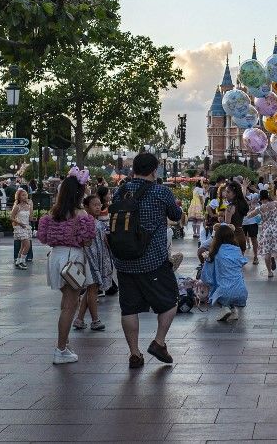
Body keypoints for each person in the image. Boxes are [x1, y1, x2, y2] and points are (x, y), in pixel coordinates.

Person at [111, 153, 181, 369]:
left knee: (129, 308)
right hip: (153, 260)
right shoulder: (161, 191)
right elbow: (177, 215)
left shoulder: (120, 191)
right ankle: (159, 343)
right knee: (170, 301)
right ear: (154, 169)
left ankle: (134, 354)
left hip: (123, 259)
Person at [37, 171, 94, 365]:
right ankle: (60, 349)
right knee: (71, 305)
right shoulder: (81, 214)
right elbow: (87, 240)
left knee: (66, 302)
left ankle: (65, 344)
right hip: (72, 259)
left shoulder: (53, 213)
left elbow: (43, 237)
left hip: (55, 258)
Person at [75, 190, 113, 331]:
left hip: (98, 259)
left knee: (91, 289)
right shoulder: (86, 221)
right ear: (86, 207)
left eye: (99, 204)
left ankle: (79, 319)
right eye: (94, 205)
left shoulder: (97, 221)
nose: (98, 207)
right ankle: (95, 320)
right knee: (93, 289)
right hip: (91, 260)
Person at [201, 223, 248, 322]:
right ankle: (234, 311)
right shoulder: (237, 250)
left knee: (214, 287)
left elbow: (206, 276)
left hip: (224, 292)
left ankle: (224, 307)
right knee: (230, 284)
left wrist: (207, 260)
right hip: (241, 291)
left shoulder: (215, 253)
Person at [11, 188, 34, 270]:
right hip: (20, 227)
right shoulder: (17, 207)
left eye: (26, 195)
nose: (25, 196)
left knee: (22, 246)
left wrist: (32, 208)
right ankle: (22, 261)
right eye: (23, 195)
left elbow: (30, 218)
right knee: (27, 245)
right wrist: (19, 223)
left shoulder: (28, 206)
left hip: (27, 227)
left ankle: (18, 261)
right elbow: (11, 217)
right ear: (19, 197)